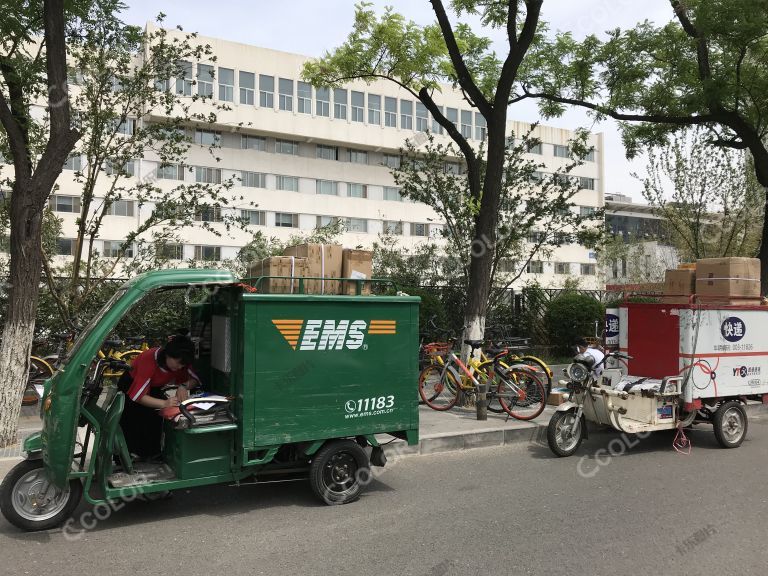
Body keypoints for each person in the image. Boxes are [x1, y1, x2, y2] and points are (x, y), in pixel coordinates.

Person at [117, 335, 200, 460]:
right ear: (168, 354)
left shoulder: (182, 362)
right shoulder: (149, 359)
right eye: (178, 363)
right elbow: (138, 397)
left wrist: (183, 386)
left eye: (183, 365)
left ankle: (151, 455)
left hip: (153, 387)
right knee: (131, 421)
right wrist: (165, 403)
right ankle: (126, 457)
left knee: (155, 419)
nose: (180, 367)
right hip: (131, 385)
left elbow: (195, 380)